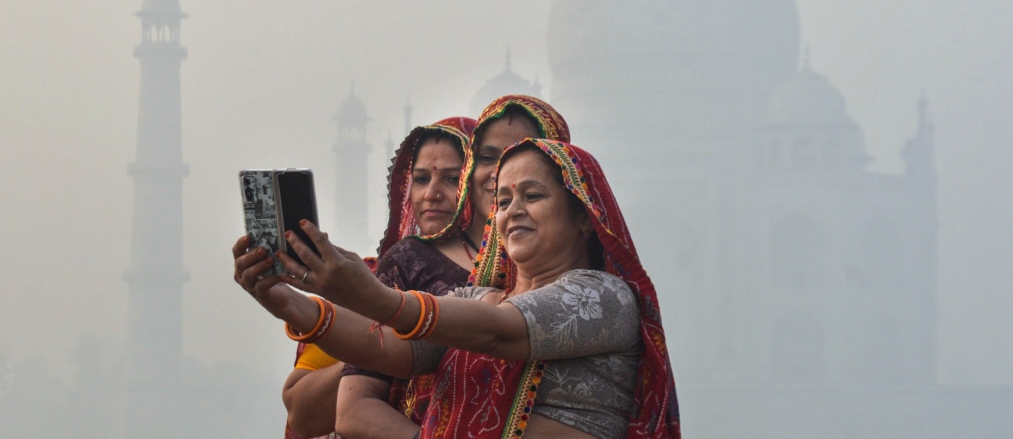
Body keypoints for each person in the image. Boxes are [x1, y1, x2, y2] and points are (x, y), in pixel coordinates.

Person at [234, 138, 679, 439]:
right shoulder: (474, 297)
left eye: (533, 196)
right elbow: (389, 349)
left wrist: (368, 294)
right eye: (502, 201)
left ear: (584, 217)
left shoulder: (604, 298)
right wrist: (289, 302)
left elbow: (499, 332)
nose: (512, 211)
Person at [336, 96, 570, 437]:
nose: (501, 172)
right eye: (488, 157)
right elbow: (357, 401)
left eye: (518, 155)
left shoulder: (587, 285)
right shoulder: (412, 263)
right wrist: (300, 301)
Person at [283, 116, 475, 439]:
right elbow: (301, 413)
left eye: (452, 179)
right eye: (421, 178)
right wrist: (376, 351)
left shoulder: (509, 275)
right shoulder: (379, 276)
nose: (432, 194)